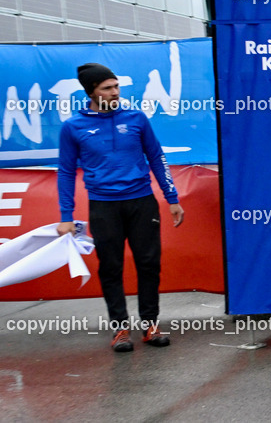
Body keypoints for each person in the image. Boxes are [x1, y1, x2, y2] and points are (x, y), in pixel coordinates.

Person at [56, 63, 184, 352]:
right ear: (91, 91)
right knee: (111, 267)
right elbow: (64, 171)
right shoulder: (73, 127)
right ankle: (120, 329)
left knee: (149, 263)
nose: (115, 92)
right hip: (104, 207)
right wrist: (66, 215)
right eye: (107, 88)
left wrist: (172, 198)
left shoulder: (136, 118)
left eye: (116, 86)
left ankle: (150, 325)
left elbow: (156, 157)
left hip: (141, 202)